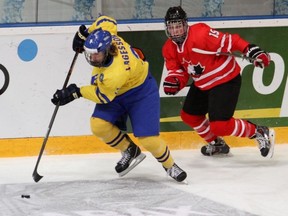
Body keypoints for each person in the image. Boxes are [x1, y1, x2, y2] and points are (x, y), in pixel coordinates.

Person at [51, 15, 187, 182]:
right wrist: (86, 33)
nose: (92, 58)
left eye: (96, 55)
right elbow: (106, 20)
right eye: (90, 54)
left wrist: (76, 92)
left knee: (148, 139)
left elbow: (102, 96)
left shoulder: (115, 73)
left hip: (140, 93)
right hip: (116, 91)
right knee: (98, 125)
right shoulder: (108, 36)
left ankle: (170, 165)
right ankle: (130, 150)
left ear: (107, 50)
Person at [162, 6, 275, 158]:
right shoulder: (168, 48)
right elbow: (179, 71)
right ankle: (217, 144)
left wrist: (251, 50)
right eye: (172, 27)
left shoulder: (201, 34)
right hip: (202, 83)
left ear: (185, 24)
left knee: (220, 126)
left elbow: (231, 41)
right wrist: (175, 81)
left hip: (225, 80)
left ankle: (259, 132)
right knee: (189, 116)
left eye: (178, 26)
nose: (175, 31)